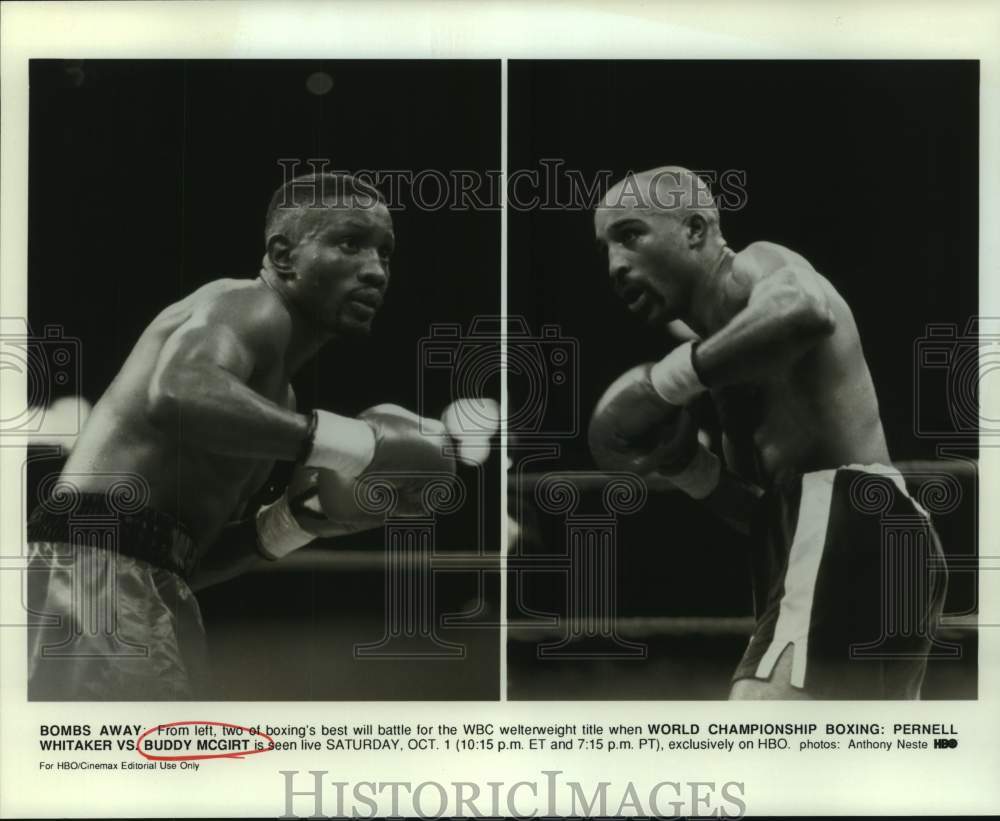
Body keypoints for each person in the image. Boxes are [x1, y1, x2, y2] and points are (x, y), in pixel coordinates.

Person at [26, 172, 477, 700]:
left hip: (139, 584)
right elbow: (177, 391)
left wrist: (295, 521)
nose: (375, 270)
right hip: (89, 574)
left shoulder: (272, 405)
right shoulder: (242, 303)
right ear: (284, 256)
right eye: (350, 244)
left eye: (385, 252)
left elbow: (184, 561)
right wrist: (352, 444)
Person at [588, 166, 947, 699]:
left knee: (756, 741)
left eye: (631, 235)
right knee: (860, 767)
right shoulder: (726, 369)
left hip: (848, 518)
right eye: (606, 250)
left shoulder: (757, 266)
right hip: (853, 540)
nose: (616, 264)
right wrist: (687, 466)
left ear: (694, 230)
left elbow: (806, 309)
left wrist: (667, 381)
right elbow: (763, 514)